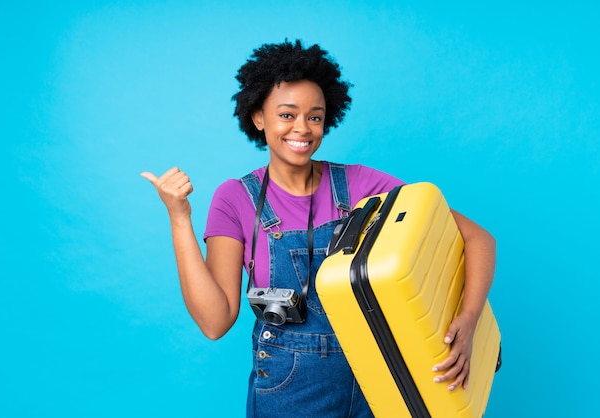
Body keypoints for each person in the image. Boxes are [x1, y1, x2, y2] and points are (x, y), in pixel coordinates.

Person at [141, 40, 496, 417]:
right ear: (258, 117)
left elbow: (478, 238)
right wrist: (179, 218)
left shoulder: (361, 185)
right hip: (289, 390)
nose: (303, 129)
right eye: (287, 114)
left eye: (315, 116)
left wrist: (468, 322)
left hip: (378, 379)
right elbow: (215, 321)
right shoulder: (236, 199)